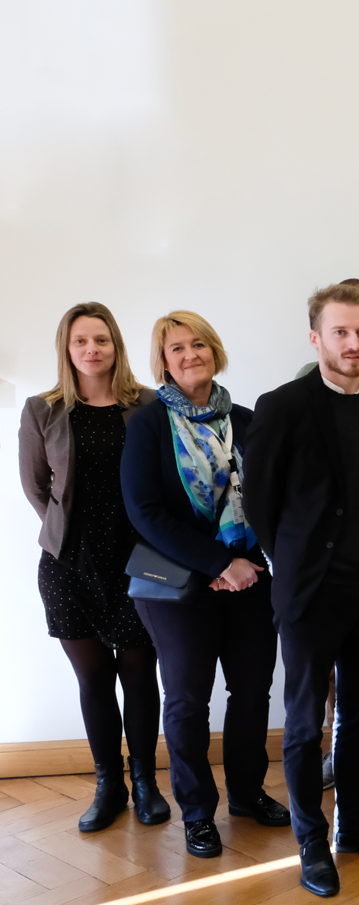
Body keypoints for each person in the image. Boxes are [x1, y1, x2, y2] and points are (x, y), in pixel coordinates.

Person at [244, 284, 359, 898]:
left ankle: (357, 825)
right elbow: (260, 506)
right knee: (301, 727)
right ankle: (311, 842)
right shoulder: (281, 405)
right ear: (316, 337)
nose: (354, 345)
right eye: (341, 333)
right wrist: (293, 563)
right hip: (310, 593)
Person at [121, 311, 287, 858]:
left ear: (214, 349)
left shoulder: (246, 418)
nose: (190, 354)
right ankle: (196, 812)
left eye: (198, 344)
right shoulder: (147, 424)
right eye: (176, 349)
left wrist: (251, 562)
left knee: (251, 693)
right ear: (163, 363)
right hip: (180, 583)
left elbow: (268, 498)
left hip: (250, 578)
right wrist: (217, 564)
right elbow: (144, 511)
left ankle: (246, 793)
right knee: (188, 701)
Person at [19, 303, 168, 832]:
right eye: (81, 341)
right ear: (67, 347)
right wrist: (69, 533)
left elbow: (164, 481)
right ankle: (110, 784)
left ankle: (147, 781)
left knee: (139, 672)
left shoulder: (148, 404)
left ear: (115, 345)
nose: (91, 350)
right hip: (68, 563)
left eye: (101, 340)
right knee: (94, 678)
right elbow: (36, 487)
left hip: (141, 560)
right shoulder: (43, 409)